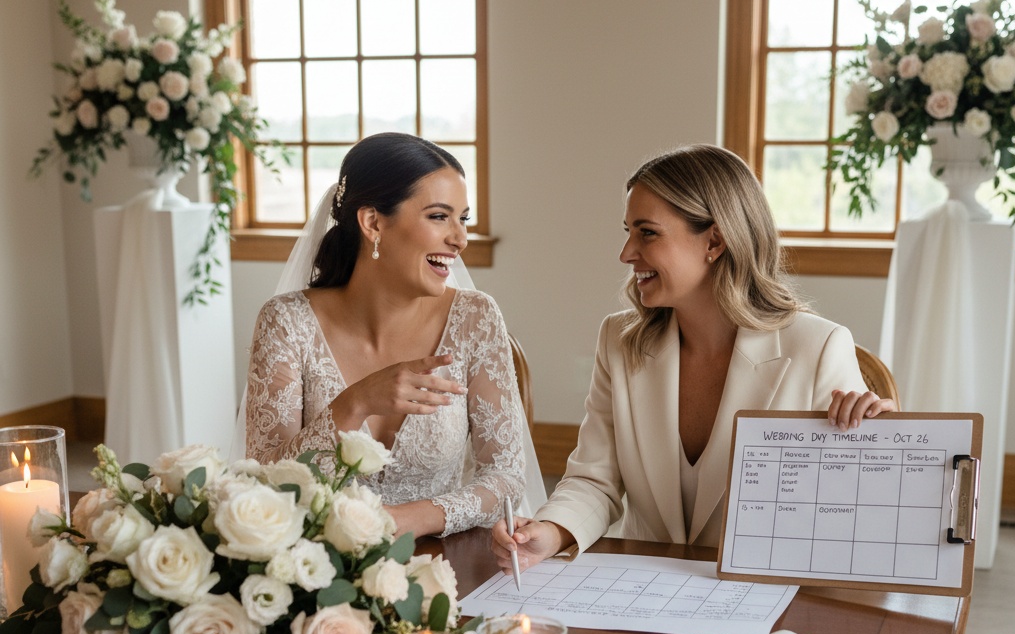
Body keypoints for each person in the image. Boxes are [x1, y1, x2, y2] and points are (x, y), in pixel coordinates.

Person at [492, 144, 895, 571]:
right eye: (628, 231)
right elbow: (595, 480)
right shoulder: (619, 340)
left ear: (714, 241)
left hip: (764, 590)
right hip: (644, 587)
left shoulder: (819, 346)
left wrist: (878, 447)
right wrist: (551, 531)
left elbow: (849, 509)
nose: (626, 253)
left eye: (647, 233)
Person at [244, 132, 534, 540]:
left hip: (442, 561)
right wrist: (355, 403)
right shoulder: (286, 322)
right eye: (439, 216)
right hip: (317, 562)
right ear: (373, 222)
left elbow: (506, 478)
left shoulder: (476, 318)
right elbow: (264, 481)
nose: (460, 239)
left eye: (463, 219)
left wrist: (409, 519)